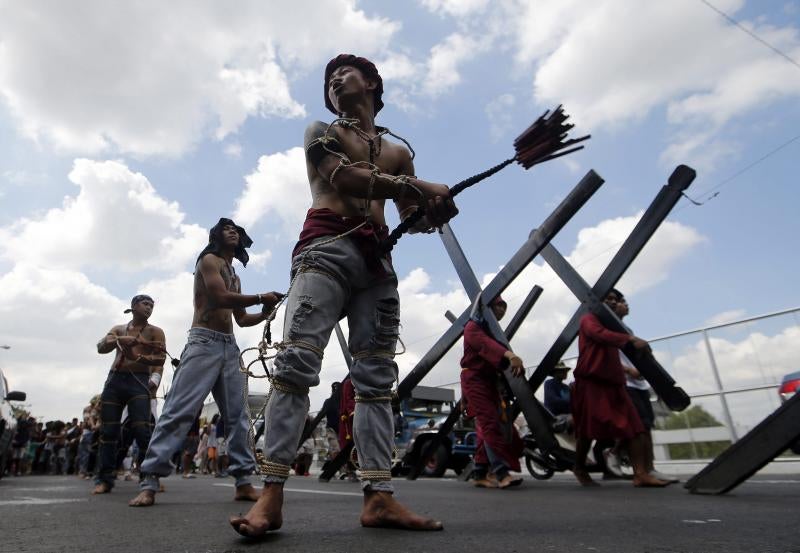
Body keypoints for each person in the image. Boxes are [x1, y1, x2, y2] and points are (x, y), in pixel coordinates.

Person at [230, 54, 458, 537]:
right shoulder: (321, 131)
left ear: (372, 83)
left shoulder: (398, 152)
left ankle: (379, 496)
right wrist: (418, 187)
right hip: (324, 252)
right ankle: (270, 495)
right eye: (329, 78)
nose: (334, 80)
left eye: (345, 72)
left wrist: (435, 210)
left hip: (376, 265)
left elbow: (410, 215)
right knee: (296, 366)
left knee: (376, 378)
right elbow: (344, 177)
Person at [129, 218, 282, 507]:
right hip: (203, 343)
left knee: (238, 416)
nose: (233, 232)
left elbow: (241, 318)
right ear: (216, 236)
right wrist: (261, 296)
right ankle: (149, 481)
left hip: (228, 346)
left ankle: (243, 482)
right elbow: (218, 296)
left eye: (236, 229)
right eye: (227, 229)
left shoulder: (235, 276)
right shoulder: (209, 260)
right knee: (179, 410)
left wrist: (265, 312)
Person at [570, 289, 668, 488]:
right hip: (592, 382)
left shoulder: (615, 327)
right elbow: (598, 334)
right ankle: (579, 467)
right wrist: (630, 340)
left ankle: (640, 473)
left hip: (614, 382)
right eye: (608, 299)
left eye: (616, 300)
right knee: (587, 431)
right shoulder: (589, 319)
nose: (613, 303)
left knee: (635, 427)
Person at [92, 294, 166, 494]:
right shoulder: (118, 329)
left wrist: (138, 356)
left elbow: (160, 359)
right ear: (133, 306)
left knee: (142, 432)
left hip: (139, 382)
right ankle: (104, 479)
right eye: (145, 304)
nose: (149, 308)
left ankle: (148, 478)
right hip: (115, 381)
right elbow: (100, 347)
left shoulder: (155, 332)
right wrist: (117, 340)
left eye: (152, 305)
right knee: (108, 432)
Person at [605, 292, 678, 483]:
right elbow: (603, 358)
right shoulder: (607, 329)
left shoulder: (626, 329)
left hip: (638, 383)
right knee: (637, 427)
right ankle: (638, 470)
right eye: (617, 301)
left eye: (618, 300)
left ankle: (649, 468)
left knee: (646, 426)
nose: (621, 304)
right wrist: (628, 370)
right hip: (625, 382)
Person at [460, 296, 525, 489]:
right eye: (498, 305)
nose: (502, 310)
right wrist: (510, 355)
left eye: (504, 306)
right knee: (490, 424)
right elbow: (485, 345)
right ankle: (501, 472)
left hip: (489, 383)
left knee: (489, 427)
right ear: (486, 307)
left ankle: (480, 472)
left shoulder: (492, 332)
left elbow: (494, 350)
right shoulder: (472, 327)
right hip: (475, 380)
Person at [321, 381, 341, 460]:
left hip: (342, 429)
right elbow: (322, 414)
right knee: (336, 449)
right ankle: (340, 469)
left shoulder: (342, 402)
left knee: (341, 449)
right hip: (331, 429)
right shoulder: (328, 401)